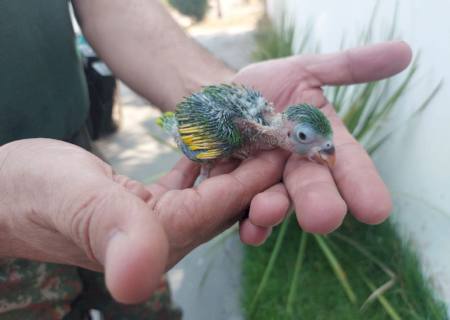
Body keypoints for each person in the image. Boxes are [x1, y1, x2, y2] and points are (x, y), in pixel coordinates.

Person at [0, 0, 412, 318]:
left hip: (74, 140)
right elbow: (199, 118)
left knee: (143, 296)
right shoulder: (236, 133)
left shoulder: (267, 119)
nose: (321, 151)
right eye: (306, 139)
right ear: (288, 132)